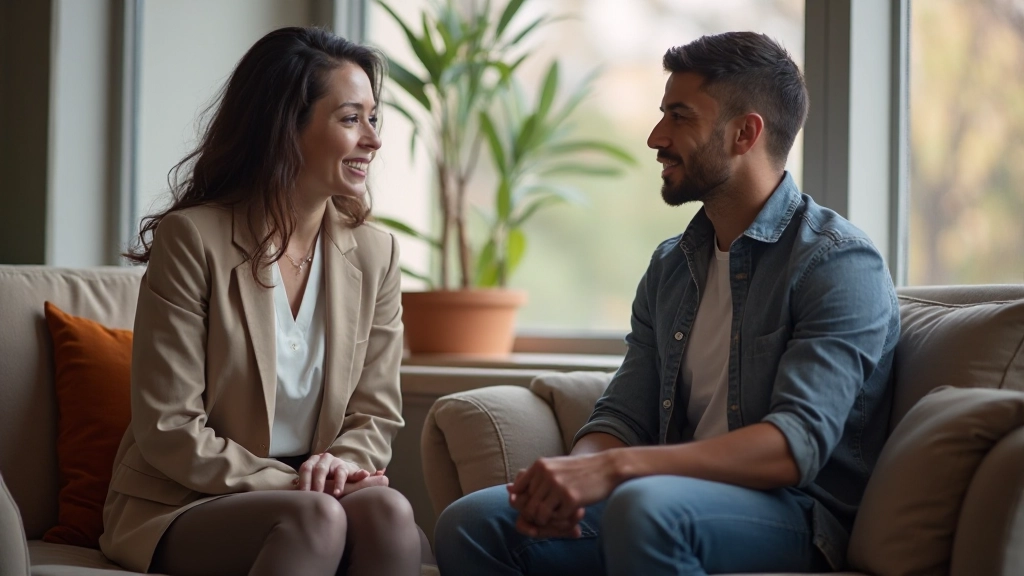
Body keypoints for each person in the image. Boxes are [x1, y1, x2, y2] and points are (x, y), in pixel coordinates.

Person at [434, 31, 899, 576]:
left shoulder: (839, 264)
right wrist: (574, 478)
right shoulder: (671, 266)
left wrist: (616, 469)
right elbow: (624, 413)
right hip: (664, 500)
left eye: (680, 116)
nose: (656, 137)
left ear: (745, 133)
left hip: (796, 514)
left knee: (645, 507)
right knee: (472, 522)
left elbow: (793, 447)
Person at [99, 27, 422, 576]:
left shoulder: (376, 254)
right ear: (285, 130)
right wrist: (298, 484)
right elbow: (170, 429)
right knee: (314, 519)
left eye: (374, 118)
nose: (373, 139)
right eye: (350, 119)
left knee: (390, 511)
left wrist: (339, 470)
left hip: (319, 492)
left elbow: (376, 412)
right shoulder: (192, 240)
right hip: (184, 499)